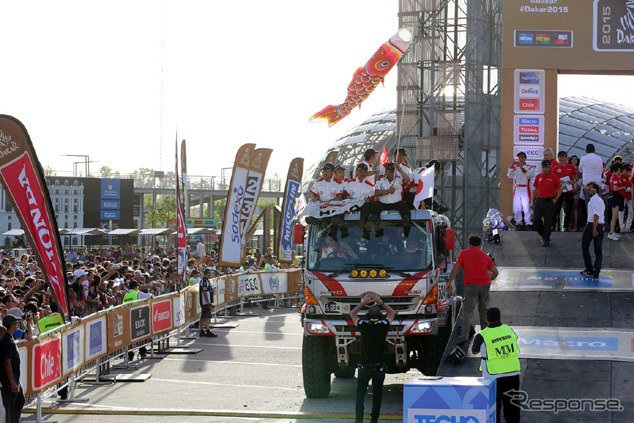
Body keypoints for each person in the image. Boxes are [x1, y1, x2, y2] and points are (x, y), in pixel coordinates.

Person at [350, 292, 397, 423]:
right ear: (379, 315)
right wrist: (380, 301)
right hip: (379, 368)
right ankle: (374, 420)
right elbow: (392, 313)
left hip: (364, 367)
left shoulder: (363, 325)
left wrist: (363, 303)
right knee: (377, 396)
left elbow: (352, 314)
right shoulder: (383, 325)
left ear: (367, 315)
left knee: (360, 394)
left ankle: (358, 420)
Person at [471, 308, 521, 423]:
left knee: (494, 406)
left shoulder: (482, 335)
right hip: (513, 372)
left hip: (493, 376)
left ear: (486, 319)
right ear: (499, 317)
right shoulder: (509, 329)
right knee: (512, 406)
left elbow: (474, 351)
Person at [446, 234, 498, 344]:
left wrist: (449, 282)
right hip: (484, 285)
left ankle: (464, 336)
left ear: (468, 243)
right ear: (479, 245)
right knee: (483, 309)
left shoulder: (463, 254)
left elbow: (456, 269)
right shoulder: (485, 256)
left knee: (467, 311)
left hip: (471, 286)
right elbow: (495, 272)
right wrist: (488, 280)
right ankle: (485, 334)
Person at [370, 162, 411, 237]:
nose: (391, 173)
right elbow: (376, 192)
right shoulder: (380, 180)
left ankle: (406, 230)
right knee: (374, 207)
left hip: (396, 203)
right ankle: (378, 230)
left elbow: (407, 180)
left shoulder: (399, 179)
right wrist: (387, 191)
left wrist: (399, 169)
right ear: (386, 171)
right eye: (389, 171)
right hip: (383, 204)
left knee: (404, 205)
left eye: (393, 171)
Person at [531, 160, 562, 247]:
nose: (545, 169)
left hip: (549, 201)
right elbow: (536, 189)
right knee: (536, 220)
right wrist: (533, 201)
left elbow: (560, 188)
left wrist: (555, 199)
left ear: (550, 167)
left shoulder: (554, 177)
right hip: (539, 200)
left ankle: (545, 239)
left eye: (547, 167)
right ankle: (544, 235)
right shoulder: (538, 177)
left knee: (547, 222)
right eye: (544, 167)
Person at [0, 315, 23, 423]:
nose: (17, 325)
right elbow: (7, 363)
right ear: (11, 325)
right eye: (15, 323)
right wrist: (12, 382)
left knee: (19, 401)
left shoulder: (10, 338)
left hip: (15, 379)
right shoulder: (6, 341)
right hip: (9, 382)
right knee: (9, 408)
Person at [580, 182, 605, 280]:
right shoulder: (599, 200)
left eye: (589, 190)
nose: (587, 192)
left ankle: (590, 269)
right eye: (587, 190)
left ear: (595, 190)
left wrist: (594, 228)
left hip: (592, 225)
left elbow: (596, 215)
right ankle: (596, 272)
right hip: (600, 226)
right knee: (598, 250)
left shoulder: (594, 200)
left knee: (585, 247)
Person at [507, 151, 536, 230]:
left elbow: (529, 175)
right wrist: (511, 166)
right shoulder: (515, 167)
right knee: (517, 207)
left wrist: (521, 167)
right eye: (519, 157)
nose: (521, 159)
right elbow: (509, 175)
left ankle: (528, 223)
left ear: (525, 158)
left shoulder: (530, 167)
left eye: (522, 157)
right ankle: (518, 223)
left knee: (526, 207)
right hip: (517, 188)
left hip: (525, 188)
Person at [552, 151, 577, 232]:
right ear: (558, 158)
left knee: (569, 209)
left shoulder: (571, 167)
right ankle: (554, 226)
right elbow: (553, 180)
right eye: (560, 157)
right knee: (556, 209)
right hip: (559, 191)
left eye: (563, 157)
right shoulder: (555, 168)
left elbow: (575, 178)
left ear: (566, 158)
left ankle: (566, 226)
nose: (562, 158)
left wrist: (572, 181)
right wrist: (558, 182)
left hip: (569, 190)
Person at [607, 163, 625, 241]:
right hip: (614, 197)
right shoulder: (615, 177)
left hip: (615, 197)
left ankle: (612, 232)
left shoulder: (614, 176)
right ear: (618, 169)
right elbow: (615, 188)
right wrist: (623, 187)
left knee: (615, 216)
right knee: (614, 216)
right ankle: (611, 233)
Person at [199, 268, 217, 338]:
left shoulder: (205, 280)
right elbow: (204, 292)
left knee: (203, 317)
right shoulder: (204, 281)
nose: (211, 274)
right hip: (205, 302)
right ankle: (208, 331)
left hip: (205, 301)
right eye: (210, 272)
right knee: (207, 317)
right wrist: (208, 302)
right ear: (207, 273)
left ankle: (201, 331)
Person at [621, 164, 634, 233]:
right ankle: (621, 227)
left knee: (631, 211)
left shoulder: (631, 177)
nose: (628, 172)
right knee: (621, 212)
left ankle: (628, 227)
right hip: (623, 197)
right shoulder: (620, 177)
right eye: (627, 170)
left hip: (630, 197)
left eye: (629, 171)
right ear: (624, 170)